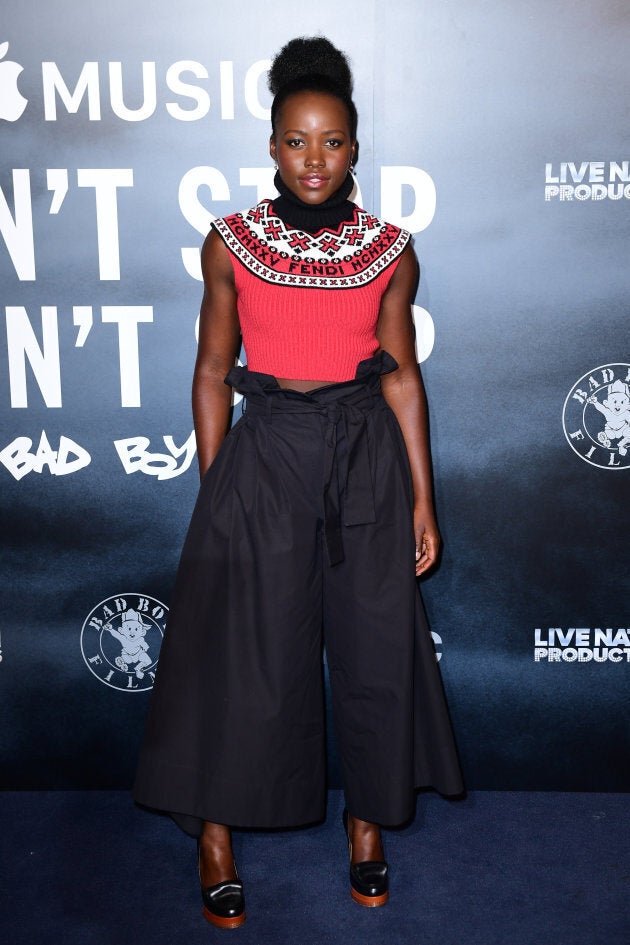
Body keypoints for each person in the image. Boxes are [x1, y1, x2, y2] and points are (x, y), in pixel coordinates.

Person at [134, 35, 463, 929]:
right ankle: (215, 837)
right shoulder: (230, 243)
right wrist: (219, 484)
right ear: (271, 145)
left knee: (374, 650)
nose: (313, 158)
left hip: (365, 455)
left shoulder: (391, 249)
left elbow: (401, 375)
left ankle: (365, 826)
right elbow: (211, 371)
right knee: (243, 660)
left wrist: (423, 496)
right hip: (268, 448)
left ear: (355, 149)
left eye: (331, 141)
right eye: (295, 140)